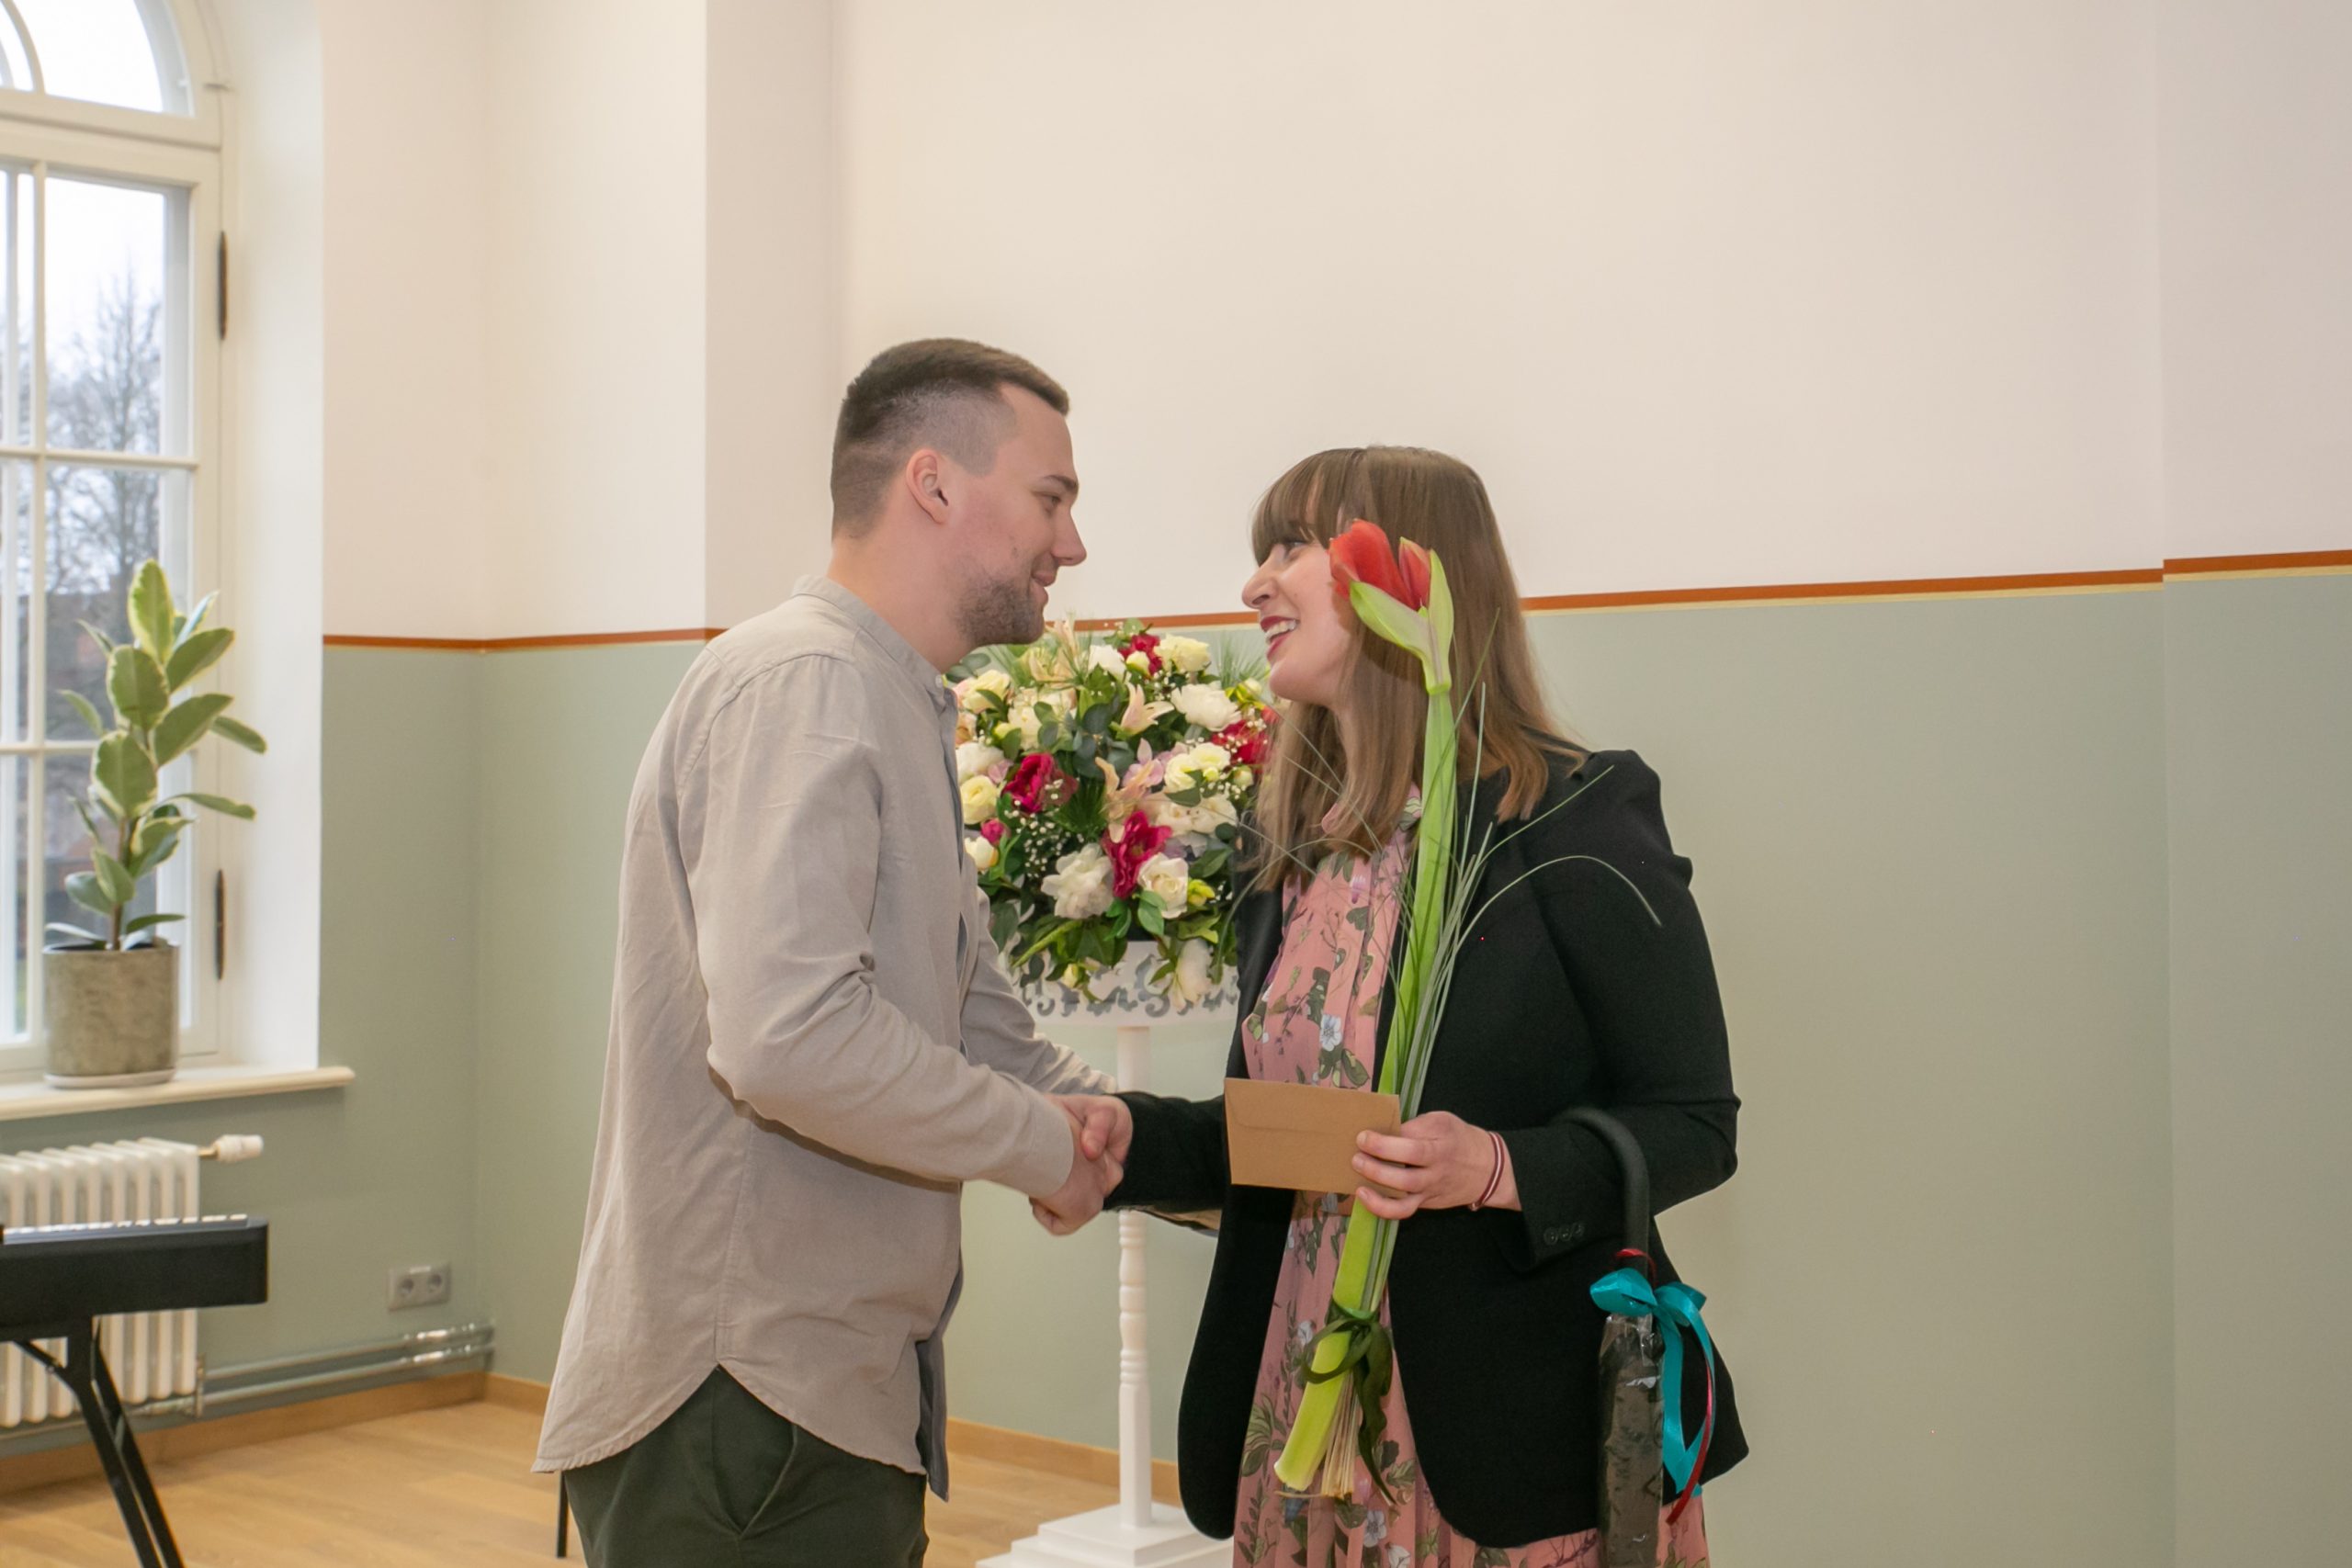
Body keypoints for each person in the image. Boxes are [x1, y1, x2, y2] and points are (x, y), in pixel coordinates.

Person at [1069, 446, 1749, 1564]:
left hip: (1501, 1449)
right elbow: (1290, 1140)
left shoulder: (1570, 818)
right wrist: (1120, 1143)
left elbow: (1693, 1122)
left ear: (1410, 579)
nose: (1253, 585)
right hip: (1302, 1421)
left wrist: (1493, 1167)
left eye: (1290, 546)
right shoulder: (1294, 846)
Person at [537, 339, 1132, 1566]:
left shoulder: (887, 691)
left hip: (817, 1395)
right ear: (934, 483)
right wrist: (1042, 1146)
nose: (1069, 544)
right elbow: (790, 1041)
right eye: (1051, 498)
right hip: (742, 1406)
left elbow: (976, 1024)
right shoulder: (806, 682)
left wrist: (1155, 1141)